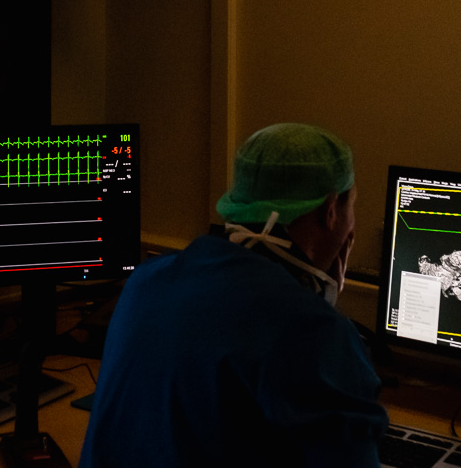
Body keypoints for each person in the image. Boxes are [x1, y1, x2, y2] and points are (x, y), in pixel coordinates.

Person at [79, 123, 388, 468]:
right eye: (352, 206)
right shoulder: (313, 333)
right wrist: (321, 314)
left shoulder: (148, 280)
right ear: (331, 211)